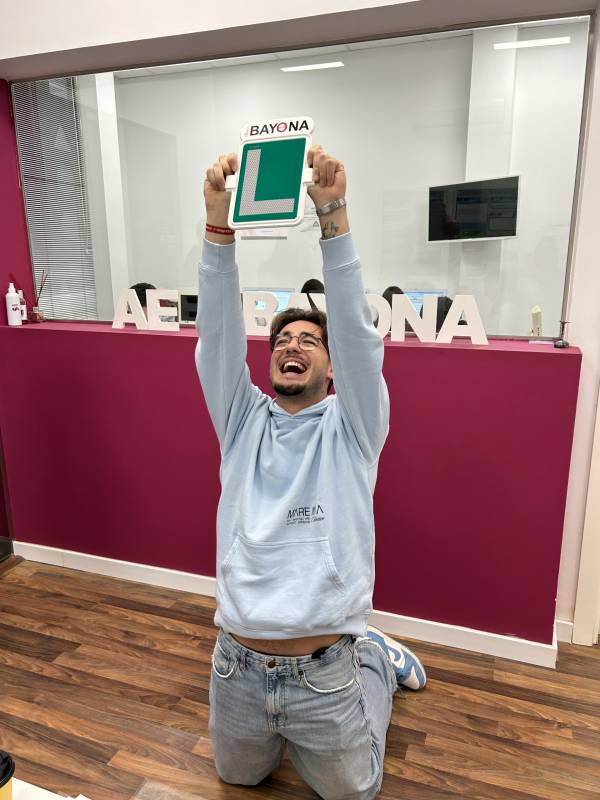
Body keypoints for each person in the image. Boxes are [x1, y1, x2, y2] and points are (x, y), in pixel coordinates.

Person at [195, 145, 426, 800]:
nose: (290, 345)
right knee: (237, 776)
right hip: (237, 666)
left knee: (355, 792)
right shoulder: (241, 420)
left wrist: (333, 217)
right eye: (280, 340)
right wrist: (217, 228)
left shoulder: (353, 427)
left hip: (324, 674)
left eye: (308, 340)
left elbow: (357, 336)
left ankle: (373, 657)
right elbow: (217, 335)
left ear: (330, 366)